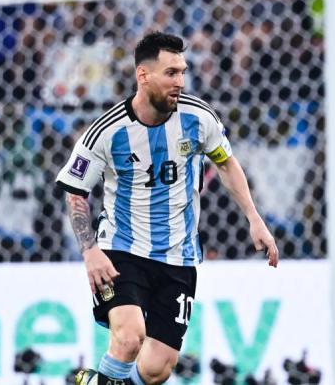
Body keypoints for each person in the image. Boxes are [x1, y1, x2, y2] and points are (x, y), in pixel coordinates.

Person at [56, 32, 278, 385]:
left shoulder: (198, 118)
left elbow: (226, 163)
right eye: (171, 73)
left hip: (179, 255)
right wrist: (90, 251)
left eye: (182, 72)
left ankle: (90, 382)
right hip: (120, 250)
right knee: (129, 338)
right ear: (143, 76)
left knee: (157, 368)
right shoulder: (106, 131)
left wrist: (255, 219)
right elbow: (75, 191)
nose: (180, 82)